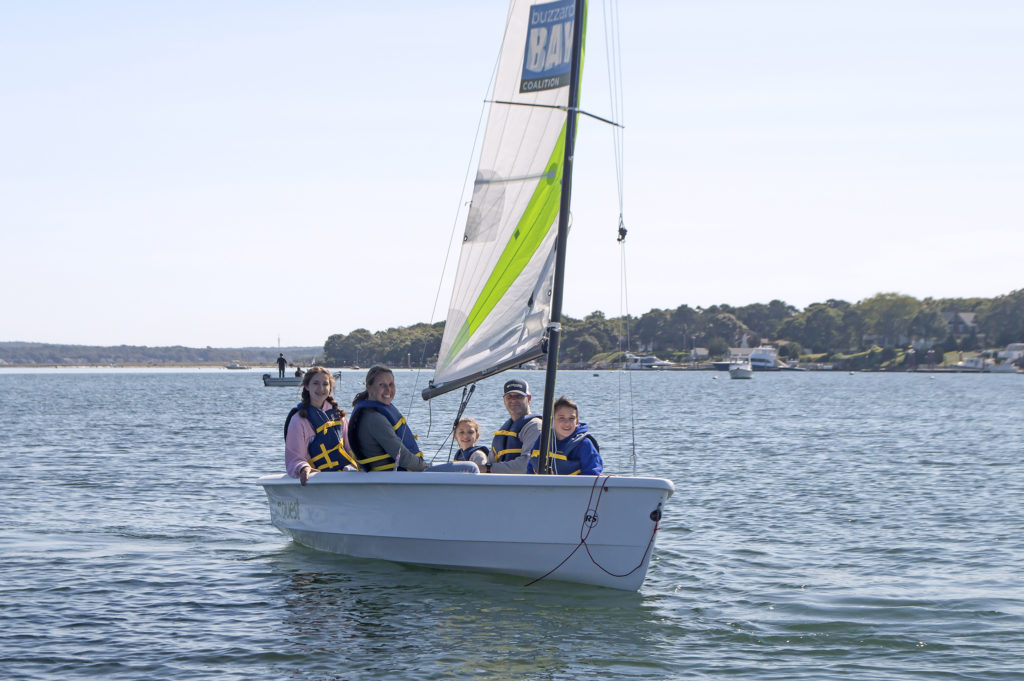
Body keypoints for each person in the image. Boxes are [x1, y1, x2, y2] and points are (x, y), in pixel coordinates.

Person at [348, 365, 478, 473]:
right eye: (382, 385)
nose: (388, 390)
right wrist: (425, 466)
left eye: (391, 384)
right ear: (369, 387)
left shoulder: (373, 412)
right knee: (469, 468)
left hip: (403, 474)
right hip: (398, 478)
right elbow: (403, 457)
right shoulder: (373, 419)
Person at [284, 366, 357, 485]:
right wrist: (303, 469)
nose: (321, 388)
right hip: (316, 480)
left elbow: (350, 449)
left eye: (325, 384)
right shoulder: (298, 420)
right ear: (307, 386)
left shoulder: (339, 417)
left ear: (330, 388)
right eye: (316, 383)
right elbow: (294, 457)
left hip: (344, 478)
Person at [525, 396, 603, 475]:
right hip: (543, 486)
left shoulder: (584, 444)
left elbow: (592, 473)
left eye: (571, 418)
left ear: (577, 422)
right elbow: (531, 467)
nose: (567, 423)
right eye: (561, 418)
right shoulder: (542, 440)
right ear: (552, 421)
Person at [489, 378, 542, 474]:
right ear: (504, 400)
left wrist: (489, 469)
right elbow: (490, 463)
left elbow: (526, 464)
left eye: (518, 396)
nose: (513, 400)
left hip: (525, 486)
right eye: (509, 397)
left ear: (529, 398)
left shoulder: (536, 426)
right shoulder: (502, 432)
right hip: (503, 485)